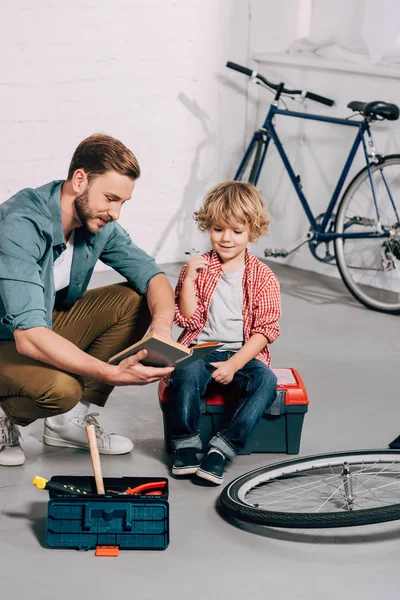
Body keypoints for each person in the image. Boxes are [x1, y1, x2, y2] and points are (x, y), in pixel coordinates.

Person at [0, 133, 175, 467]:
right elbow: (29, 337)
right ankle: (4, 414)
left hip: (40, 323)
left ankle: (67, 424)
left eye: (123, 202)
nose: (117, 212)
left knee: (135, 300)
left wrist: (162, 330)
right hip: (11, 336)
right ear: (79, 179)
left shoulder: (96, 221)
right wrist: (109, 373)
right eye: (111, 198)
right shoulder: (20, 224)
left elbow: (153, 275)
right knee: (62, 391)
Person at [168, 181, 281, 485]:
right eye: (218, 229)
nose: (226, 239)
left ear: (252, 232)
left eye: (236, 231)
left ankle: (224, 447)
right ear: (208, 228)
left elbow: (264, 332)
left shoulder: (263, 277)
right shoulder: (200, 267)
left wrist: (234, 365)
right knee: (185, 370)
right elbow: (188, 320)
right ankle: (186, 444)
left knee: (267, 381)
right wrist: (190, 279)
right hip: (203, 347)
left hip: (242, 353)